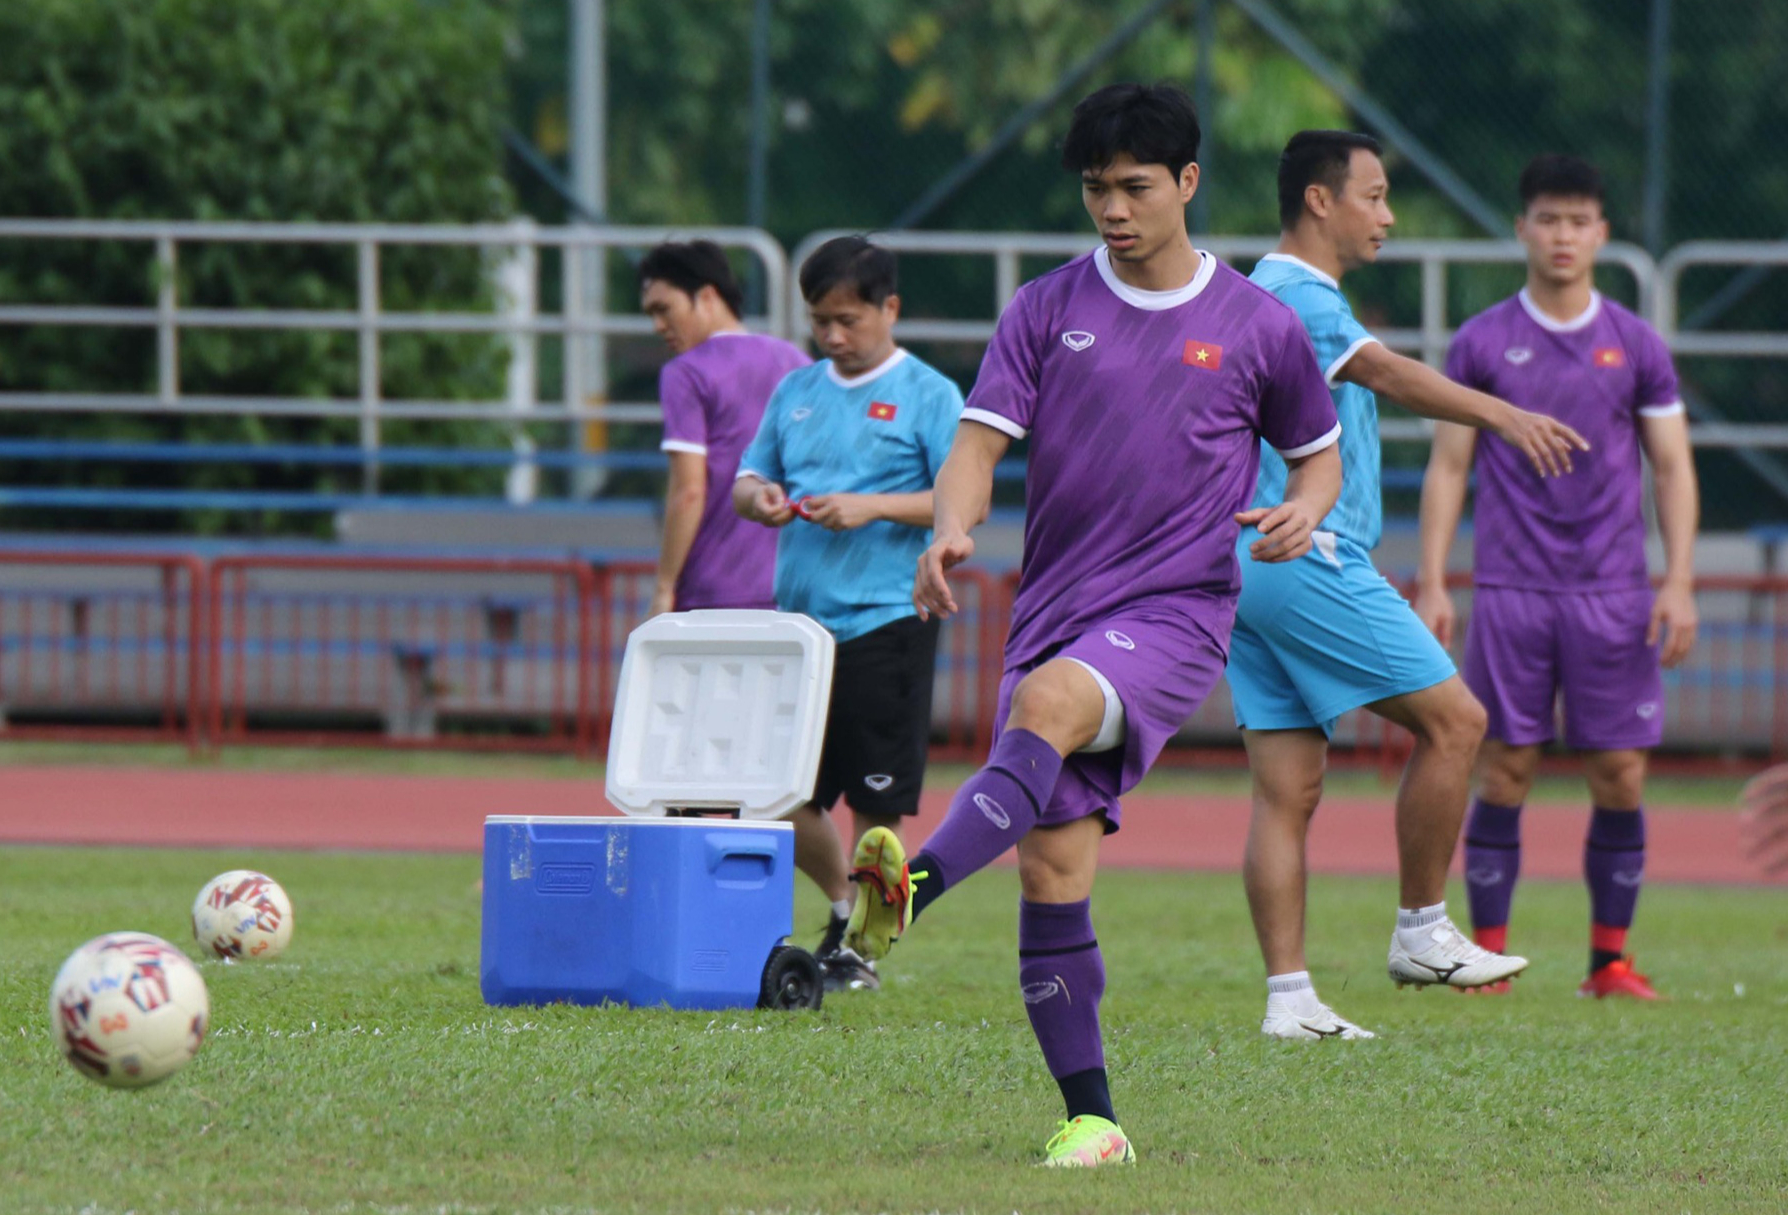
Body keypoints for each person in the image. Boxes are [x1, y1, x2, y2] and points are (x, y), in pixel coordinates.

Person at [846, 83, 1344, 1167]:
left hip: (1174, 612)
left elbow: (1318, 448)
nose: (1113, 209)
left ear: (1188, 185)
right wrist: (948, 531)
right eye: (1095, 189)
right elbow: (977, 445)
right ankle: (1095, 1120)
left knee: (1048, 703)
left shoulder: (1258, 325)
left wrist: (1309, 504)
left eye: (1134, 187)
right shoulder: (1042, 308)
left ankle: (914, 886)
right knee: (1050, 872)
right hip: (1056, 604)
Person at [1230, 132, 1587, 1040]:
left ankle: (1290, 1000)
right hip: (1306, 552)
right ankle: (1423, 928)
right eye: (1376, 196)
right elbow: (1385, 373)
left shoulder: (1261, 292)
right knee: (1459, 721)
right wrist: (1501, 411)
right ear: (1321, 201)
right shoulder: (1297, 294)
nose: (1387, 216)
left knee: (1288, 790)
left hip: (1250, 560)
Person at [1415, 154, 1700, 999]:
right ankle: (1489, 964)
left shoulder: (1636, 344)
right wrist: (1432, 579)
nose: (1564, 235)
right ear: (1522, 229)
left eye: (1579, 221)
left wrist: (1677, 578)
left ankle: (1608, 962)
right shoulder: (1479, 340)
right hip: (1511, 593)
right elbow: (1448, 468)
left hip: (1613, 595)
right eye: (1549, 218)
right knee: (1503, 770)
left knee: (1621, 774)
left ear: (1603, 234)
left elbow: (1674, 467)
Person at [732, 236, 964, 993]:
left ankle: (862, 951)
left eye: (847, 319)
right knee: (776, 794)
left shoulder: (930, 393)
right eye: (819, 320)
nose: (832, 335)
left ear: (888, 309)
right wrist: (760, 499)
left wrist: (871, 507)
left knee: (876, 802)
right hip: (799, 630)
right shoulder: (795, 390)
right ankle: (840, 911)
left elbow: (960, 499)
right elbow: (747, 478)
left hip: (885, 620)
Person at [639, 240, 809, 617]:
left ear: (706, 297)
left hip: (714, 589)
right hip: (796, 590)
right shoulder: (796, 360)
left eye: (664, 309)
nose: (657, 325)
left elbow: (688, 491)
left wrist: (664, 588)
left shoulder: (686, 372)